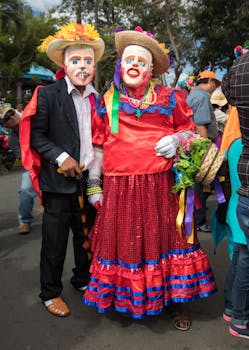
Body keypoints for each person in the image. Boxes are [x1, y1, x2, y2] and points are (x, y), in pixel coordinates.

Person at [83, 27, 217, 331]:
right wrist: (94, 184)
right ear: (120, 66)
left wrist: (177, 139)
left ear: (151, 69)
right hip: (120, 189)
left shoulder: (171, 97)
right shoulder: (107, 101)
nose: (134, 65)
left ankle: (175, 303)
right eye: (129, 59)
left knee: (169, 244)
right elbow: (99, 147)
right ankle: (133, 300)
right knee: (128, 247)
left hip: (161, 187)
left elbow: (193, 134)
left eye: (141, 62)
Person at [20, 22, 105, 317]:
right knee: (54, 242)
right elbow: (37, 136)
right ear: (64, 63)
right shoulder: (48, 94)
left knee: (87, 237)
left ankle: (83, 279)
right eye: (76, 60)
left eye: (88, 61)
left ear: (94, 66)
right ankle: (50, 292)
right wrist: (61, 157)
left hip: (88, 181)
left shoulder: (99, 98)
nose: (82, 67)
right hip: (58, 182)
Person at [222, 50, 249, 339]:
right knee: (245, 261)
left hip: (238, 203)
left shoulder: (235, 141)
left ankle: (232, 309)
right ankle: (240, 317)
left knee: (241, 255)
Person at [187, 71, 220, 232]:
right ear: (210, 82)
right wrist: (206, 150)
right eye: (215, 84)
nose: (215, 87)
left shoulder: (194, 95)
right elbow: (201, 125)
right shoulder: (202, 97)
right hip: (199, 147)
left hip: (192, 145)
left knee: (198, 185)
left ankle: (196, 218)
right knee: (199, 185)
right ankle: (199, 221)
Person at [0, 104, 36, 234]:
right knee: (25, 190)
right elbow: (24, 158)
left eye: (11, 113)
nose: (11, 117)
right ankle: (25, 221)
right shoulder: (13, 140)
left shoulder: (34, 118)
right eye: (6, 118)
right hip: (33, 165)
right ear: (5, 125)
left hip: (54, 158)